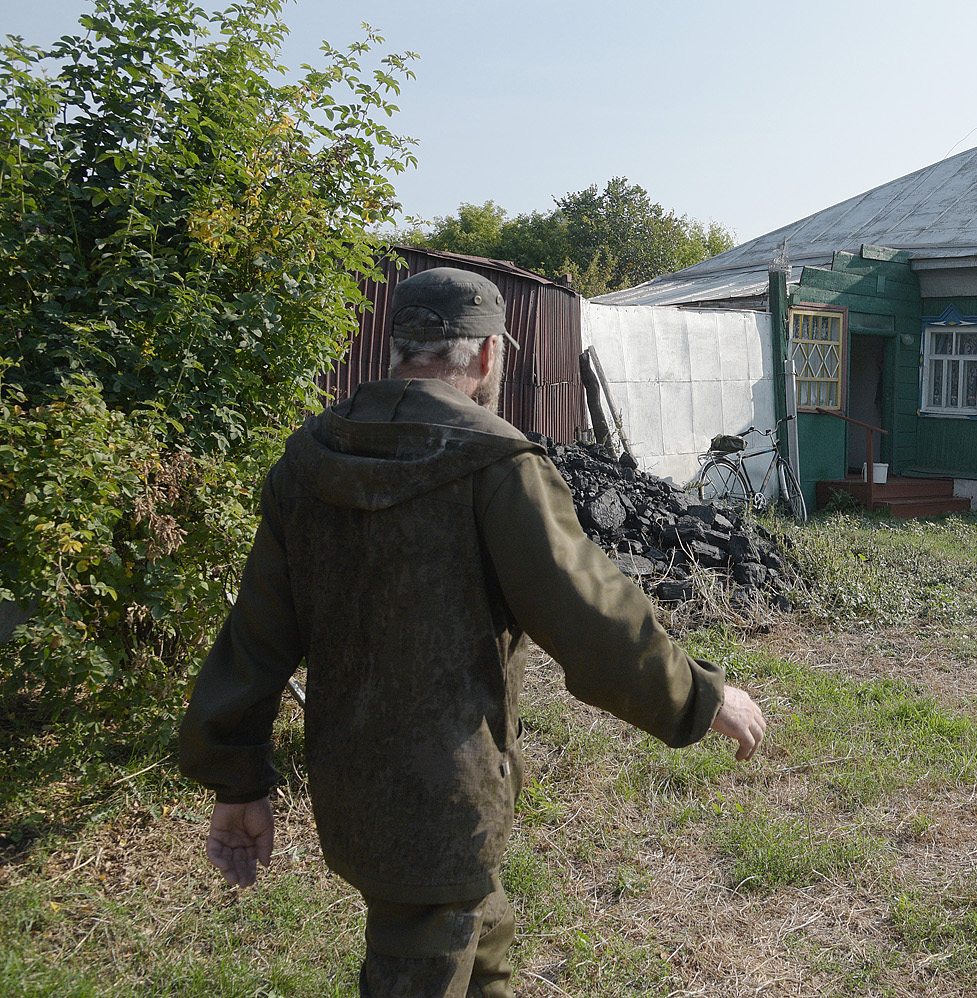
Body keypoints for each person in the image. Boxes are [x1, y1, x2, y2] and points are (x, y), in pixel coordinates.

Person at [179, 266, 767, 998]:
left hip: (354, 788)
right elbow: (590, 615)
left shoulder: (308, 461)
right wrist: (702, 698)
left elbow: (255, 636)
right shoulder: (495, 465)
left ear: (398, 347)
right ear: (487, 357)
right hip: (446, 806)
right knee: (428, 954)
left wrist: (235, 778)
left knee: (482, 942)